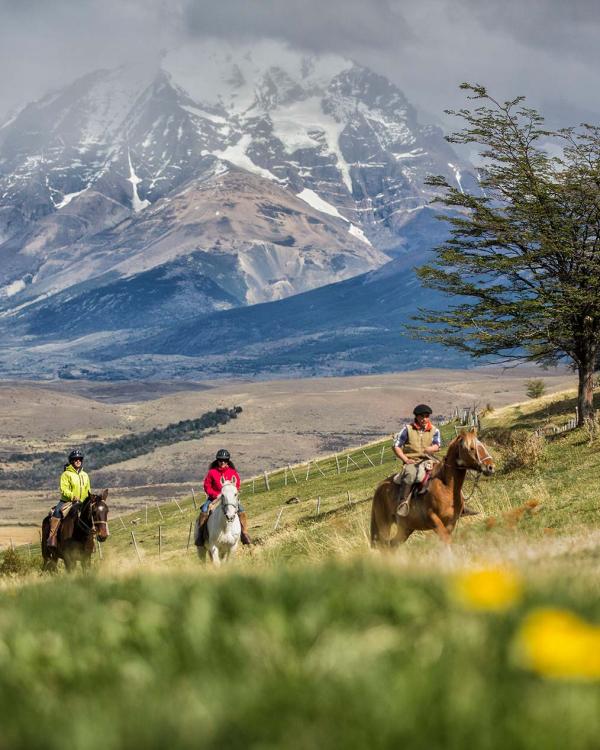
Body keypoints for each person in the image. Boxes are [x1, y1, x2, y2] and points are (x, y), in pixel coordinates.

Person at [392, 404, 441, 517]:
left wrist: (431, 448)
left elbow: (437, 445)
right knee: (410, 474)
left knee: (446, 472)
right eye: (421, 416)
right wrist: (405, 459)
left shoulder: (434, 430)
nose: (424, 419)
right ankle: (403, 503)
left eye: (426, 416)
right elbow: (396, 446)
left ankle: (460, 503)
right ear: (416, 417)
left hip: (429, 459)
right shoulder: (407, 429)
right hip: (412, 461)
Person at [196, 449, 251, 545]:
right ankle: (200, 536)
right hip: (214, 498)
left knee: (241, 510)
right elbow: (207, 486)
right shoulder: (212, 472)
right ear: (217, 461)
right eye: (220, 460)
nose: (222, 462)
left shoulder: (232, 472)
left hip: (229, 499)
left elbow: (237, 485)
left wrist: (231, 493)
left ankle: (244, 533)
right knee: (204, 510)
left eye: (225, 460)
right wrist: (214, 494)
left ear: (228, 461)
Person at [47, 448, 91, 548]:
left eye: (80, 459)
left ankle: (92, 541)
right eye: (76, 459)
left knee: (92, 515)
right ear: (71, 461)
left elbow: (88, 489)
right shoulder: (66, 474)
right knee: (57, 513)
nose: (78, 461)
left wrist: (89, 499)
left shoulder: (85, 475)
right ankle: (52, 537)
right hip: (67, 501)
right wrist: (73, 496)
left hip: (82, 502)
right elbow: (64, 489)